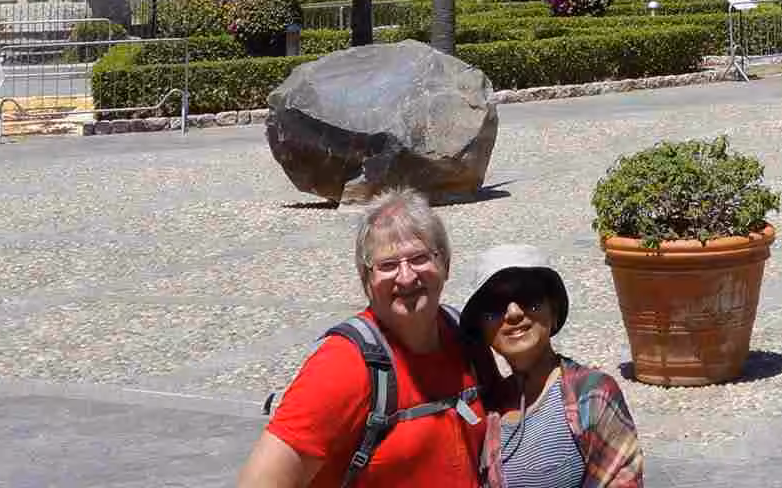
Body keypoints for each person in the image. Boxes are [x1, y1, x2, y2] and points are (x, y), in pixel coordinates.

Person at [238, 188, 484, 488]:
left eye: (419, 258)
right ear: (366, 280)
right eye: (388, 265)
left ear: (445, 264)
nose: (406, 277)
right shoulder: (343, 364)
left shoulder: (465, 337)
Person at [460, 246, 643, 488]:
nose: (514, 313)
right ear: (482, 331)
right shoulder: (487, 409)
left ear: (553, 311)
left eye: (529, 299)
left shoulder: (592, 394)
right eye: (494, 306)